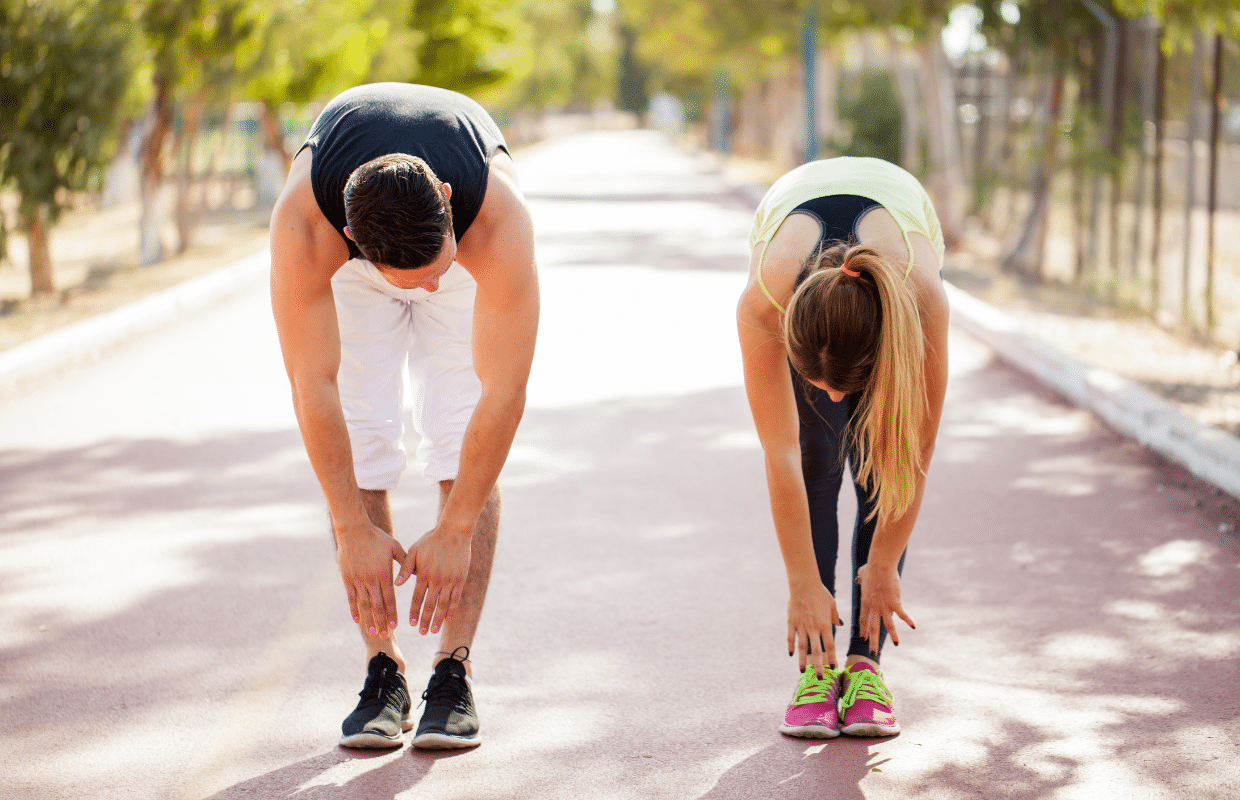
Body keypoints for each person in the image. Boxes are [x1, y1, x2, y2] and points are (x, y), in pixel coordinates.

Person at [270, 83, 538, 750]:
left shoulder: (497, 220)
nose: (425, 288)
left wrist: (457, 526)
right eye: (409, 279)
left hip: (466, 249)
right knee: (358, 445)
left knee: (458, 434)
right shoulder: (307, 228)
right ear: (353, 235)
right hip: (360, 266)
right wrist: (349, 525)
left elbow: (503, 394)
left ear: (447, 198)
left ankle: (454, 670)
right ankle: (382, 669)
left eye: (431, 273)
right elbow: (313, 384)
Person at [736, 156, 949, 738]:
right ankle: (818, 669)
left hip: (894, 214)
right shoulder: (765, 302)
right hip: (799, 216)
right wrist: (803, 582)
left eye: (845, 385)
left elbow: (914, 454)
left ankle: (865, 667)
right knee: (814, 462)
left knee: (877, 465)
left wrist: (883, 565)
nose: (829, 396)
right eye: (817, 382)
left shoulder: (920, 301)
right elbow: (777, 455)